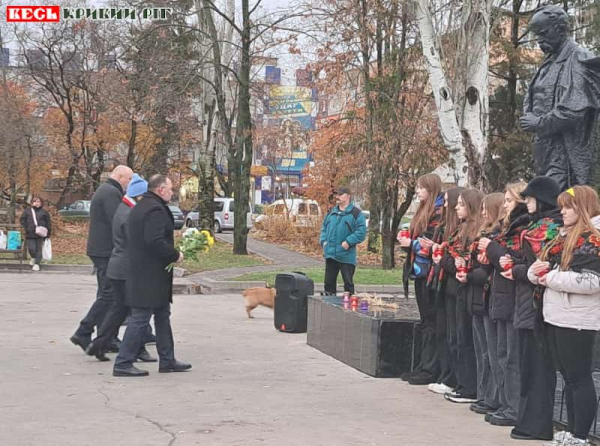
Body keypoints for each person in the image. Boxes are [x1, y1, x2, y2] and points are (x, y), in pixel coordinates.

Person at [531, 186, 600, 446]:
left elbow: (592, 281)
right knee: (569, 378)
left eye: (568, 206)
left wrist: (548, 277)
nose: (562, 211)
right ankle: (573, 431)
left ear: (583, 207)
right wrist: (536, 272)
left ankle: (581, 434)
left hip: (578, 319)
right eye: (562, 206)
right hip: (557, 315)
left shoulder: (593, 238)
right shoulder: (564, 237)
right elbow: (545, 268)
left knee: (579, 377)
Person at [113, 174, 189, 377]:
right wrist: (175, 255)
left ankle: (167, 360)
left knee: (162, 315)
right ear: (160, 189)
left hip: (147, 272)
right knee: (140, 317)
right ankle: (123, 362)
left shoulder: (142, 206)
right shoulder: (153, 209)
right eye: (170, 189)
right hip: (148, 274)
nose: (172, 193)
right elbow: (154, 241)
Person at [520, 5, 600, 189]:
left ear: (561, 28)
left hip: (567, 152)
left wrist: (538, 123)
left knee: (557, 202)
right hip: (546, 150)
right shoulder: (550, 61)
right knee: (550, 203)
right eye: (536, 35)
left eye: (544, 32)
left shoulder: (579, 59)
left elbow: (573, 110)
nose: (539, 39)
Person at [507, 176, 562, 442]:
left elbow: (538, 266)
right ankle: (528, 420)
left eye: (529, 198)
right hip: (528, 299)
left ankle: (537, 424)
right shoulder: (537, 225)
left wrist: (515, 268)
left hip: (537, 303)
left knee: (538, 366)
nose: (526, 203)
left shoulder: (549, 227)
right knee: (528, 365)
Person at [85, 174, 156, 363]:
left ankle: (98, 344)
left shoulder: (124, 208)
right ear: (140, 196)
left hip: (118, 267)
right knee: (137, 311)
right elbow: (137, 244)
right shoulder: (129, 214)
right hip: (126, 269)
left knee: (119, 310)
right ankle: (135, 351)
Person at [478, 182, 530, 427]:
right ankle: (502, 401)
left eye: (510, 201)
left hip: (512, 298)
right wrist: (484, 255)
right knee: (499, 353)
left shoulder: (523, 229)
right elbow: (496, 262)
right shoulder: (504, 229)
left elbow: (512, 261)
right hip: (498, 295)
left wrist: (493, 250)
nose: (505, 206)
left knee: (511, 357)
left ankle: (513, 407)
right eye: (505, 200)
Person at [70, 165, 133, 352]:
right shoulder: (111, 193)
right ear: (120, 177)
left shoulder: (105, 190)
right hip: (106, 250)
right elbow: (118, 222)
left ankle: (106, 336)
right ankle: (84, 331)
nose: (129, 184)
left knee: (108, 295)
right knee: (109, 294)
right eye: (129, 180)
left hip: (101, 249)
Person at [398, 174, 444, 386]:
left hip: (429, 272)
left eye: (420, 188)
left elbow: (431, 241)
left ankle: (429, 367)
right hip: (419, 271)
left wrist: (413, 244)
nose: (417, 192)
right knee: (425, 321)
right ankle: (424, 365)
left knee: (431, 321)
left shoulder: (438, 212)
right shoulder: (424, 210)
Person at [442, 189, 483, 403]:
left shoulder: (476, 232)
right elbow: (448, 255)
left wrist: (463, 266)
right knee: (457, 337)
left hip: (468, 290)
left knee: (465, 338)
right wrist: (449, 260)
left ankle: (469, 387)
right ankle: (461, 383)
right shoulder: (460, 230)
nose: (456, 208)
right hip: (457, 286)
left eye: (460, 204)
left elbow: (477, 262)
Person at [466, 192, 504, 414]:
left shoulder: (496, 237)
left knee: (493, 352)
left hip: (488, 295)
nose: (482, 213)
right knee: (483, 350)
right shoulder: (483, 234)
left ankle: (493, 396)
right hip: (478, 296)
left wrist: (471, 272)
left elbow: (489, 270)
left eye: (485, 208)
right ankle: (485, 394)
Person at [428, 187, 463, 395]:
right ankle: (443, 373)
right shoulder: (443, 225)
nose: (446, 205)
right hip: (441, 281)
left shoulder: (458, 229)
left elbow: (458, 258)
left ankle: (451, 377)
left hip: (452, 284)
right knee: (443, 332)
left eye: (451, 201)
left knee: (453, 334)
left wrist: (442, 257)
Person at [319, 186, 367, 296]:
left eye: (340, 194)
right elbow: (324, 228)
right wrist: (323, 241)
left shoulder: (356, 213)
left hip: (346, 256)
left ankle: (348, 308)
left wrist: (348, 242)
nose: (337, 197)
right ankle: (329, 307)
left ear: (348, 196)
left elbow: (361, 232)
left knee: (348, 285)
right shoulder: (332, 212)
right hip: (330, 254)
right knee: (328, 285)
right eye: (337, 195)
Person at [20, 197, 51, 272]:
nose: (37, 203)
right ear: (32, 203)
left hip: (41, 233)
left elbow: (48, 223)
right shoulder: (27, 211)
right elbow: (22, 220)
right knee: (31, 248)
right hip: (30, 233)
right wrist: (26, 228)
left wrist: (48, 233)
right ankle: (33, 258)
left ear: (41, 203)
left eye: (39, 201)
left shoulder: (44, 212)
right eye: (35, 201)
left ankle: (37, 264)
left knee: (38, 249)